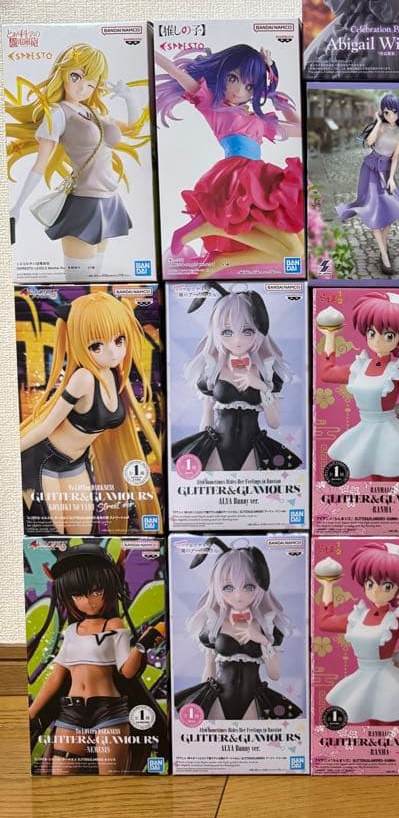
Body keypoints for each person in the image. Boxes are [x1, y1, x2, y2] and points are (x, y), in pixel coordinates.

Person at [18, 290, 161, 535]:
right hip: (42, 459)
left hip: (76, 461)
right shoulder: (83, 378)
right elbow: (47, 425)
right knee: (52, 535)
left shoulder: (115, 375)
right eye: (97, 345)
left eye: (119, 340)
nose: (113, 352)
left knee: (80, 534)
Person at [154, 44, 303, 274]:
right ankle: (206, 228)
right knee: (293, 250)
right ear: (223, 75)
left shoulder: (260, 121)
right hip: (237, 177)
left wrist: (281, 103)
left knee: (299, 245)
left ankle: (222, 259)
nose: (239, 90)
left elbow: (301, 129)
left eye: (249, 86)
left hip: (259, 181)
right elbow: (178, 73)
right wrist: (149, 50)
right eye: (233, 78)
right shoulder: (213, 105)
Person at [6, 43, 150, 278]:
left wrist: (128, 98)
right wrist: (16, 206)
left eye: (91, 83)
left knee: (95, 279)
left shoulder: (92, 112)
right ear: (62, 73)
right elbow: (40, 165)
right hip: (84, 204)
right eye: (76, 76)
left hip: (110, 201)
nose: (83, 87)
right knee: (80, 281)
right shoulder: (58, 113)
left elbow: (133, 128)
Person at [27, 543, 167, 774]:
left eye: (96, 592)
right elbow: (56, 677)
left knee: (111, 777)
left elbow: (127, 671)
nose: (88, 601)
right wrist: (31, 712)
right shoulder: (72, 631)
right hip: (72, 710)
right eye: (78, 595)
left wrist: (143, 645)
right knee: (60, 775)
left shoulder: (113, 625)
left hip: (108, 709)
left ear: (108, 588)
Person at [316, 291, 399, 482]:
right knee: (377, 485)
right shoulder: (360, 367)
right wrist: (330, 335)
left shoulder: (397, 371)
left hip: (390, 434)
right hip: (366, 430)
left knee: (398, 484)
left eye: (388, 335)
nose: (377, 340)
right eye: (371, 333)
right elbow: (327, 373)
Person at [171, 284, 301, 472]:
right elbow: (206, 420)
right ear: (216, 333)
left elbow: (274, 423)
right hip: (217, 447)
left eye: (247, 331)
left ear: (259, 331)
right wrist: (201, 449)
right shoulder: (212, 371)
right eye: (227, 332)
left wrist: (262, 387)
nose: (237, 340)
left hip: (252, 447)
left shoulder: (266, 373)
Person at [314, 542, 399, 725]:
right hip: (363, 677)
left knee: (396, 728)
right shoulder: (357, 617)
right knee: (374, 729)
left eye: (387, 586)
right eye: (370, 583)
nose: (375, 590)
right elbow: (325, 622)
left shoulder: (394, 621)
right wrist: (328, 586)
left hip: (388, 681)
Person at [175, 538, 302, 721]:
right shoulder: (213, 625)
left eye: (248, 586)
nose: (239, 595)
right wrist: (202, 701)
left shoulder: (266, 626)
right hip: (218, 697)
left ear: (260, 586)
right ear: (217, 588)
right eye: (228, 587)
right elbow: (209, 670)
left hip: (252, 698)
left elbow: (274, 675)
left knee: (251, 738)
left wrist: (262, 639)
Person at [335, 93, 399, 274]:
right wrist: (378, 122)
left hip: (385, 172)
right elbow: (369, 141)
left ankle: (383, 249)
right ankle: (384, 256)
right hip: (370, 169)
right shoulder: (381, 126)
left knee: (390, 208)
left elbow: (395, 158)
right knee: (371, 208)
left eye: (394, 112)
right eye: (386, 112)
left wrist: (391, 178)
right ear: (382, 112)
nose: (390, 116)